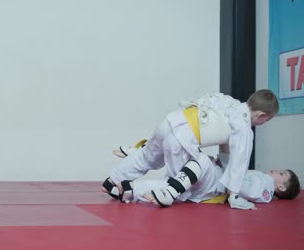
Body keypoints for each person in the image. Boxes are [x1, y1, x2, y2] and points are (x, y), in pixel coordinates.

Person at [101, 90, 279, 210]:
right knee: (183, 186)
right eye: (267, 120)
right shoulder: (244, 129)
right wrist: (234, 196)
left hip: (171, 120)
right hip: (182, 139)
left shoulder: (229, 102)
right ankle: (129, 189)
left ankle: (113, 179)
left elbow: (222, 134)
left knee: (146, 157)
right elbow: (239, 163)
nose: (263, 123)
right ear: (261, 115)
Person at [110, 147, 301, 207]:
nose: (277, 170)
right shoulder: (261, 178)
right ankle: (131, 189)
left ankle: (144, 153)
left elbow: (243, 187)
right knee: (174, 185)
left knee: (197, 158)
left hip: (216, 181)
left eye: (282, 174)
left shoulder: (265, 185)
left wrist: (227, 167)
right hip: (214, 180)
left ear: (281, 187)